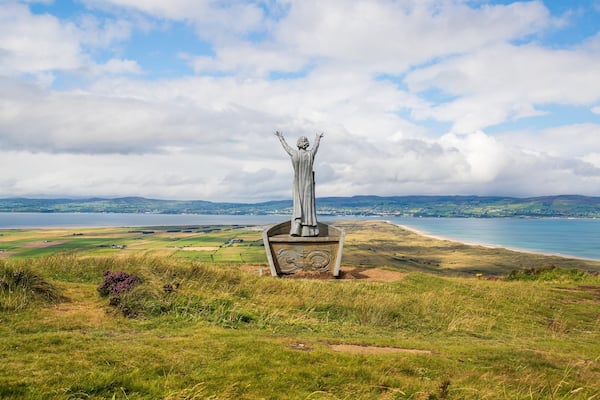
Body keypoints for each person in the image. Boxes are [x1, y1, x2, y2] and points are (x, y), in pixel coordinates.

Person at [275, 131, 324, 237]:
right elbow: (316, 148)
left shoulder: (295, 154)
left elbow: (286, 147)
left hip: (298, 184)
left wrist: (281, 138)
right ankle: (309, 229)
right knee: (308, 206)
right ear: (306, 144)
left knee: (299, 205)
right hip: (308, 184)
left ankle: (297, 227)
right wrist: (318, 138)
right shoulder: (310, 154)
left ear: (298, 144)